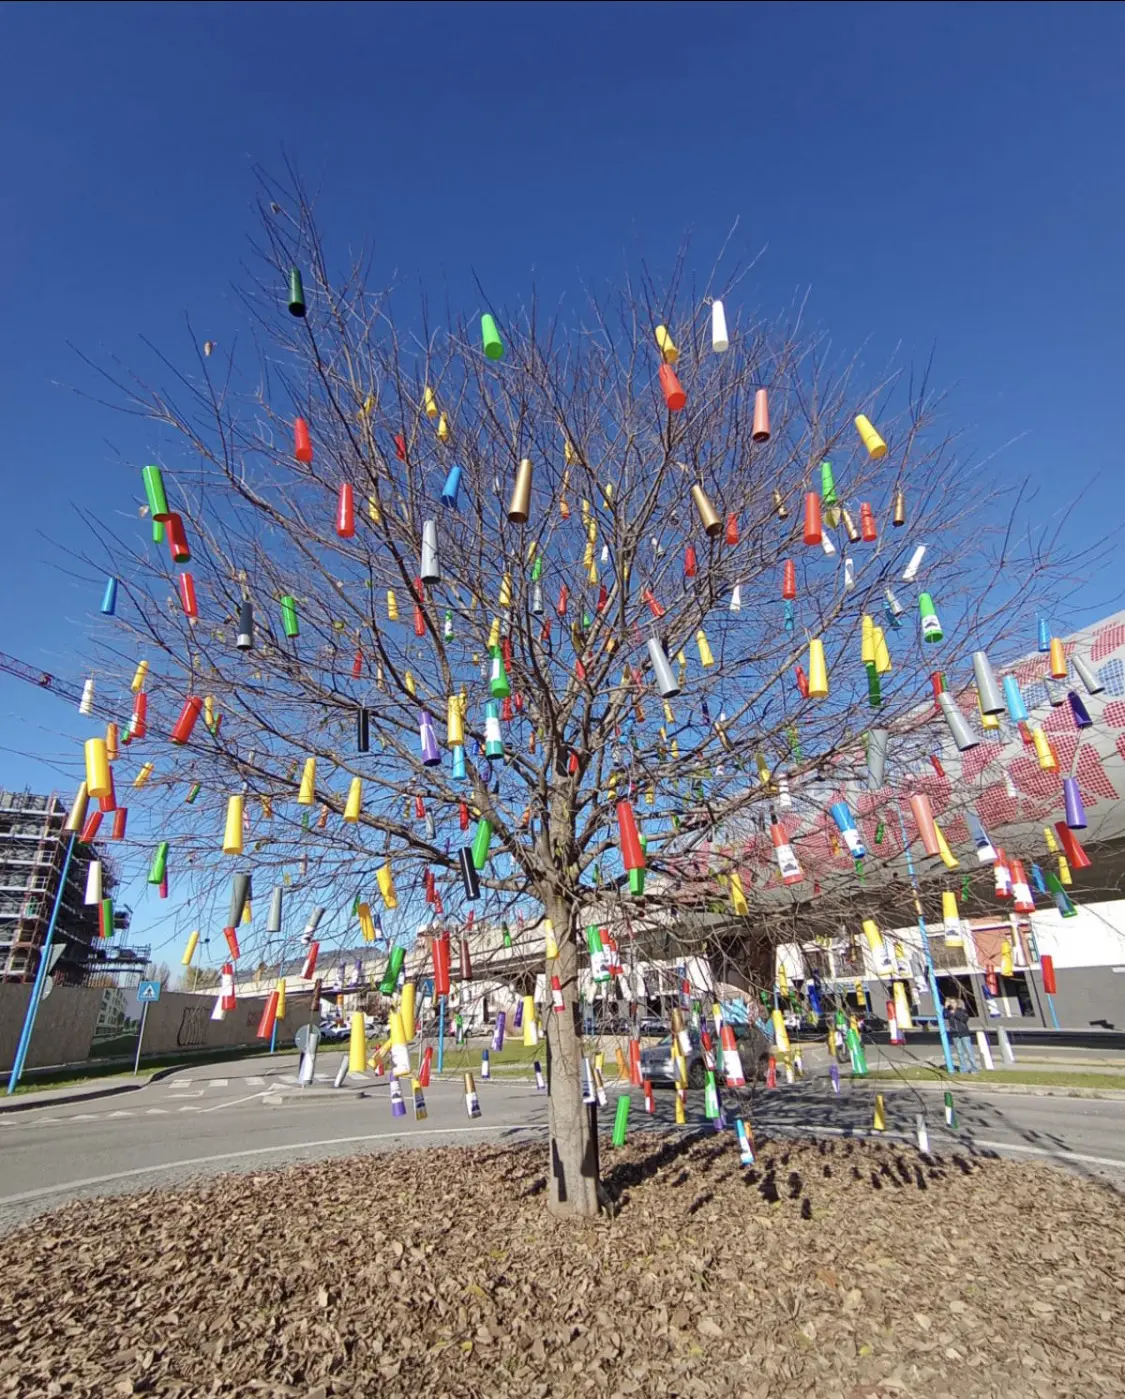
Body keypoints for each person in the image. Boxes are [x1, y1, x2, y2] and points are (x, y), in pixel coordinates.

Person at [945, 997, 978, 1073]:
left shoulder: (962, 1011)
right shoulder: (949, 1012)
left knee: (969, 1051)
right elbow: (944, 1015)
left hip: (964, 1033)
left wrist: (955, 1012)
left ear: (957, 1004)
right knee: (960, 1052)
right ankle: (963, 1068)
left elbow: (964, 1019)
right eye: (951, 1003)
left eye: (953, 1002)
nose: (952, 1004)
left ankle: (974, 1068)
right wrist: (946, 1007)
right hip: (955, 1034)